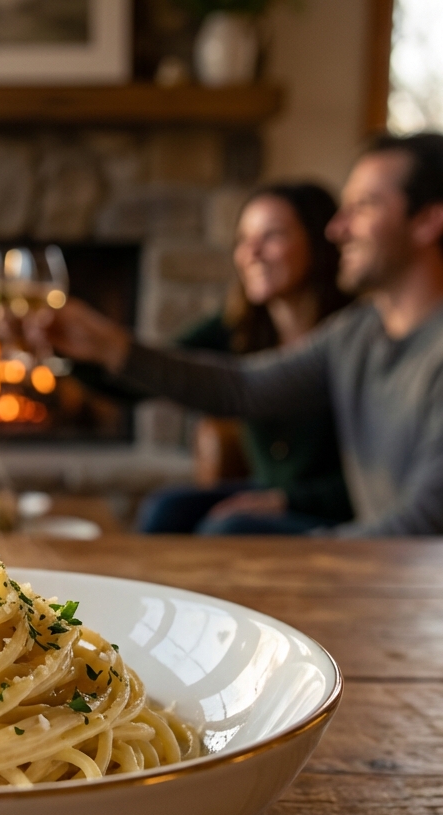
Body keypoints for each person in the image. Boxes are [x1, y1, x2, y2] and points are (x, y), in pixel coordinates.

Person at [30, 133, 443, 536]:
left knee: (230, 534)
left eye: (365, 206)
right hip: (377, 567)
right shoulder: (357, 333)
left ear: (429, 220)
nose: (338, 230)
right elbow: (240, 386)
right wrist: (107, 345)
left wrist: (310, 557)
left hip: (408, 586)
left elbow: (425, 523)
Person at [138, 183, 353, 534]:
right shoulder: (240, 327)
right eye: (243, 239)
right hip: (269, 492)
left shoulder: (352, 335)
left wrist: (288, 500)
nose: (251, 252)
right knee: (165, 510)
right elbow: (157, 371)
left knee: (226, 529)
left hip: (329, 508)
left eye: (271, 236)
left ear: (318, 240)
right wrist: (78, 347)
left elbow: (381, 485)